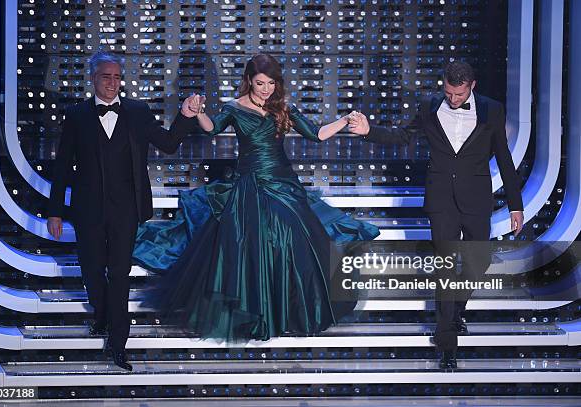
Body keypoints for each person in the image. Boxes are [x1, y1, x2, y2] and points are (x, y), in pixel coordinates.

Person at [133, 54, 380, 342]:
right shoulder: (235, 108)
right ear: (249, 80)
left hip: (283, 183)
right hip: (249, 184)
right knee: (252, 244)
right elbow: (211, 127)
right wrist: (197, 112)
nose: (265, 89)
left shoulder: (282, 108)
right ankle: (258, 315)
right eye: (260, 83)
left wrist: (343, 120)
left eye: (271, 83)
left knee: (294, 237)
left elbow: (316, 134)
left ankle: (288, 311)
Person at [347, 61, 524, 369]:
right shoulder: (429, 105)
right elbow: (402, 136)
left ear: (472, 86)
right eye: (448, 93)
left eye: (459, 94)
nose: (453, 99)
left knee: (478, 261)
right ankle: (447, 343)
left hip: (476, 199)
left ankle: (455, 311)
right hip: (441, 198)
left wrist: (515, 204)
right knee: (445, 268)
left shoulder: (491, 110)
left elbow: (505, 158)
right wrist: (368, 131)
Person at [47, 51, 197, 371]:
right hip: (87, 209)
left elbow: (169, 143)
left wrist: (185, 116)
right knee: (91, 272)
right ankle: (102, 316)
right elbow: (61, 167)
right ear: (93, 78)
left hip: (126, 209)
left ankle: (118, 344)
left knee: (119, 276)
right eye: (106, 76)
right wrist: (55, 211)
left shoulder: (138, 112)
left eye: (117, 77)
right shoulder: (76, 115)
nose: (112, 83)